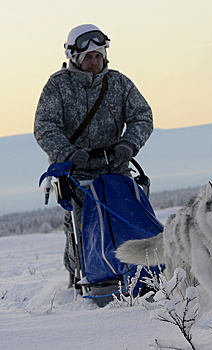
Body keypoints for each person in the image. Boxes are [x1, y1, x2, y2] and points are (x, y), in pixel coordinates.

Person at [34, 24, 154, 288]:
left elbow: (142, 116)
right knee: (80, 226)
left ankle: (137, 271)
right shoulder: (58, 86)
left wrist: (129, 144)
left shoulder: (119, 83)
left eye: (98, 56)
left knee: (128, 217)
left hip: (116, 169)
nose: (94, 62)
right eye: (88, 57)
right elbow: (45, 125)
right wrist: (67, 153)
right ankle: (79, 275)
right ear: (74, 57)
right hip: (77, 174)